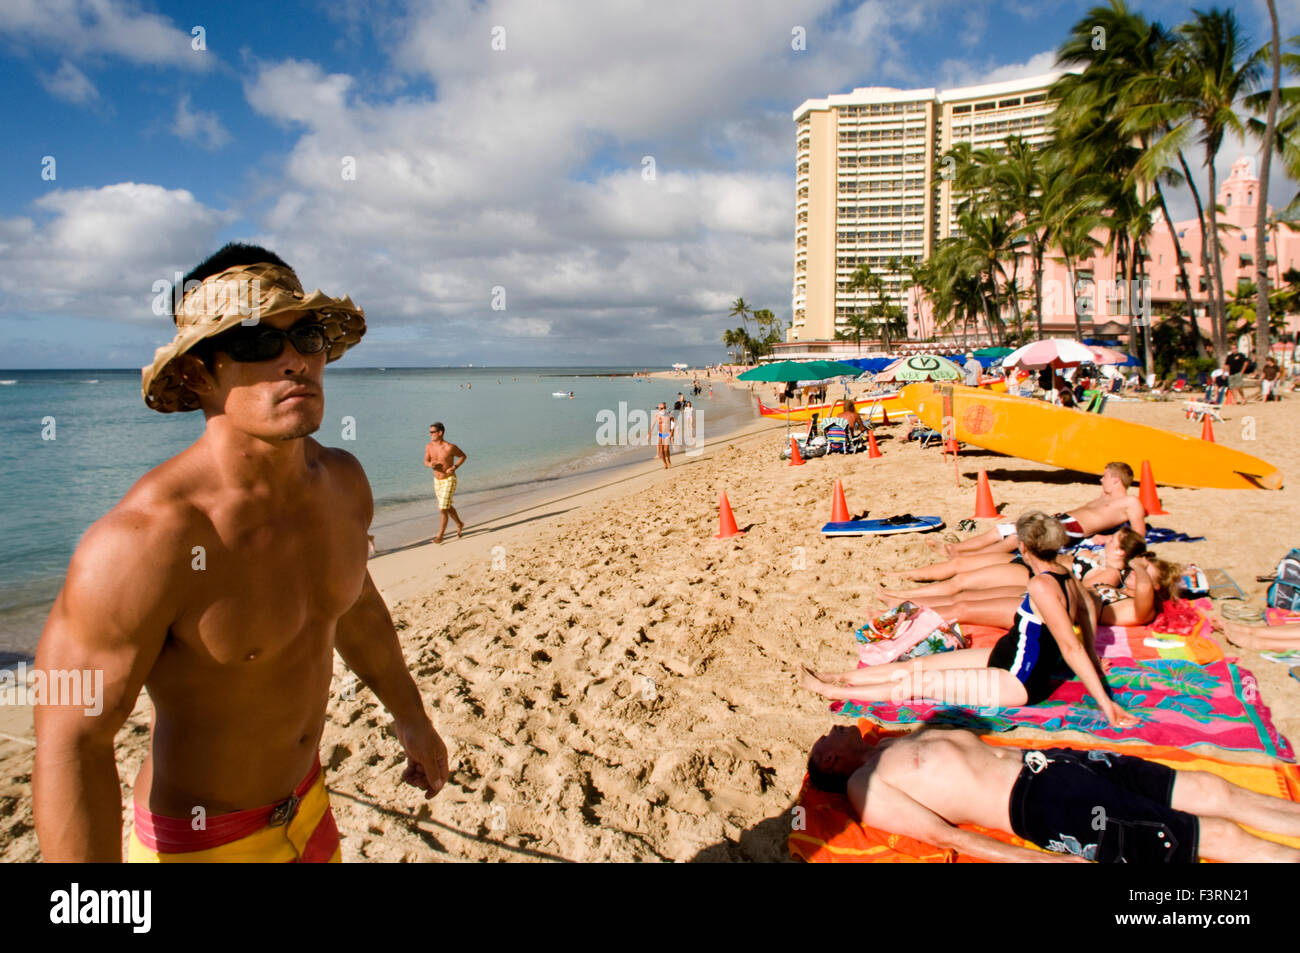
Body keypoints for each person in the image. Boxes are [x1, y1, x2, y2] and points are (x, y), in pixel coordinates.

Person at [33, 243, 449, 863]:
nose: (293, 363)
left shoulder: (343, 483)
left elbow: (353, 601)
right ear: (200, 374)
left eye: (305, 337)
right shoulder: (144, 541)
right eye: (257, 344)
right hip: (202, 846)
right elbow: (72, 743)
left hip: (309, 807)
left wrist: (411, 716)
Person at [804, 513, 1135, 721]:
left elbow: (1072, 645)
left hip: (1018, 682)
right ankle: (837, 675)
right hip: (1006, 655)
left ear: (1024, 548)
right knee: (913, 666)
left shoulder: (1042, 586)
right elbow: (1088, 622)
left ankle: (833, 691)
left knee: (921, 683)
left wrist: (1105, 702)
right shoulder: (1065, 575)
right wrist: (1094, 657)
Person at [805, 724, 1300, 862]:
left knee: (1209, 787)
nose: (835, 725)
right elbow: (946, 838)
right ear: (829, 761)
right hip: (1042, 803)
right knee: (1216, 834)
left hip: (1059, 763)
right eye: (825, 737)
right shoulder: (863, 785)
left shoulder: (890, 741)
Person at [939, 462, 1146, 558]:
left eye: (1105, 476)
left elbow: (1139, 536)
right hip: (1061, 521)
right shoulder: (1105, 496)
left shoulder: (1130, 502)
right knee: (1002, 529)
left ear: (1116, 480)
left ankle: (968, 558)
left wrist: (1109, 539)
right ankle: (957, 549)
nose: (1102, 479)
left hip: (1072, 529)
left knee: (1016, 539)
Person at [424, 422, 467, 543]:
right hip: (437, 480)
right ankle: (459, 523)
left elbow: (463, 456)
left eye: (432, 432)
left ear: (440, 433)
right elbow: (425, 461)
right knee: (446, 506)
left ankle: (440, 536)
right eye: (430, 432)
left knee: (442, 508)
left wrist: (455, 466)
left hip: (449, 479)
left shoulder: (450, 447)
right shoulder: (429, 446)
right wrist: (430, 464)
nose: (430, 434)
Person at [651, 401, 675, 468]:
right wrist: (650, 433)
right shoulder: (657, 415)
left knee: (666, 450)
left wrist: (672, 433)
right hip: (660, 434)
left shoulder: (669, 414)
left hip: (667, 434)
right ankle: (665, 464)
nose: (663, 409)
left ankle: (668, 460)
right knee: (662, 451)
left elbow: (673, 423)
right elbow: (653, 424)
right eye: (661, 408)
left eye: (664, 408)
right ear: (659, 409)